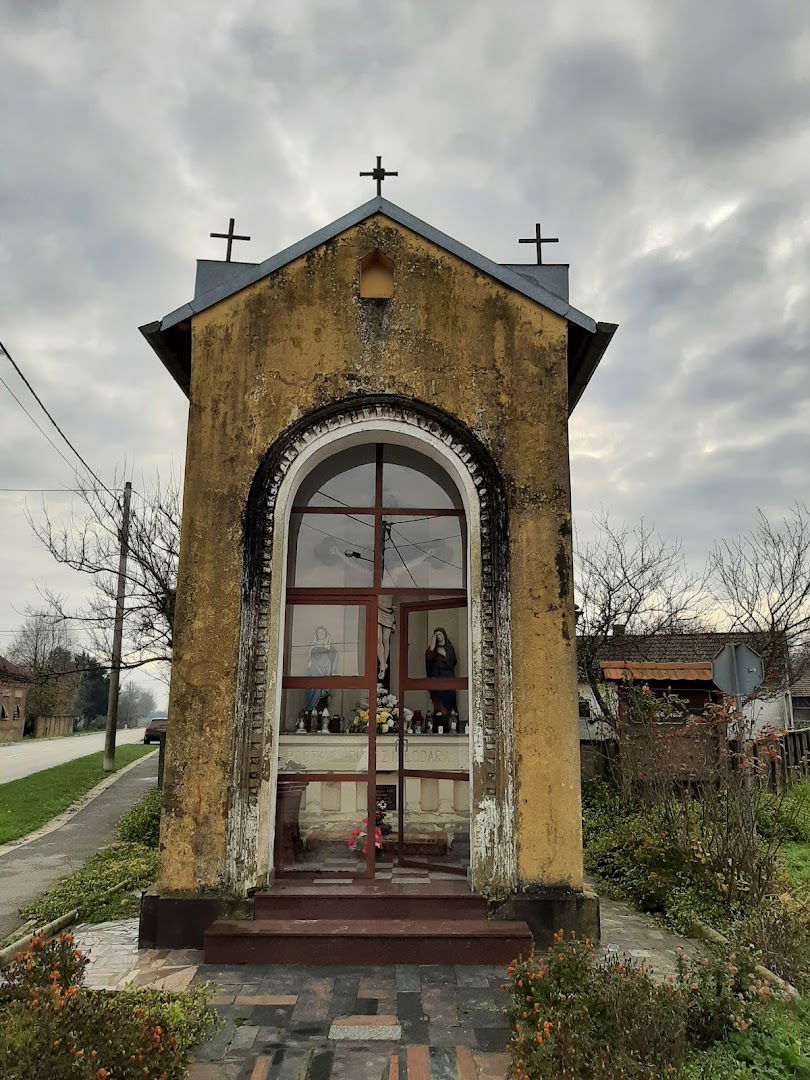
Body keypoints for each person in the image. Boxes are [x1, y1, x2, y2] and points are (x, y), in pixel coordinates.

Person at [425, 627, 457, 717]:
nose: (439, 636)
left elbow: (453, 661)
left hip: (447, 677)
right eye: (436, 635)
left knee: (447, 701)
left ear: (444, 635)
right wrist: (433, 644)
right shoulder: (433, 648)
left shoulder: (449, 647)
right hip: (435, 676)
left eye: (440, 634)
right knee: (438, 702)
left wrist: (444, 654)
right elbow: (429, 657)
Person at [305, 626, 338, 712]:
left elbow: (333, 659)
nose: (321, 634)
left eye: (323, 632)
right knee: (313, 695)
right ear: (316, 635)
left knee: (323, 701)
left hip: (325, 675)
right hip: (315, 674)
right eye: (319, 633)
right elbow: (311, 662)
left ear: (326, 634)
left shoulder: (330, 648)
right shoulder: (314, 647)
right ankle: (310, 709)